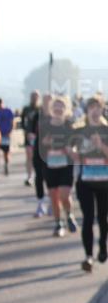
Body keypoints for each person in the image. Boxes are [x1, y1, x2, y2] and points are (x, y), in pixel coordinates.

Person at [72, 96, 108, 271]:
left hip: (104, 182)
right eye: (91, 107)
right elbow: (71, 151)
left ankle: (102, 246)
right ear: (87, 110)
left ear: (102, 110)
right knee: (87, 218)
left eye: (97, 107)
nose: (94, 110)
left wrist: (101, 145)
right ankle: (88, 256)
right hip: (85, 181)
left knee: (103, 218)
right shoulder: (80, 131)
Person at [39, 95, 79, 237]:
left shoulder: (70, 125)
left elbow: (76, 145)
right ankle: (58, 223)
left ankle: (69, 215)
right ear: (51, 108)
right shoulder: (45, 126)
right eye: (55, 106)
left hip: (65, 164)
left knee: (64, 194)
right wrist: (45, 143)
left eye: (61, 106)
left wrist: (70, 149)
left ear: (66, 109)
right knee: (54, 197)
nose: (58, 108)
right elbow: (40, 148)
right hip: (50, 165)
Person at [21, 90, 42, 187]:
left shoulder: (41, 109)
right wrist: (25, 131)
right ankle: (29, 176)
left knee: (37, 157)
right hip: (29, 136)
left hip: (40, 137)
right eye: (32, 96)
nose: (34, 98)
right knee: (29, 156)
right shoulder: (26, 109)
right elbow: (22, 121)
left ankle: (39, 175)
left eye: (36, 96)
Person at [0, 98, 15, 178]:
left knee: (6, 153)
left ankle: (6, 166)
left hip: (6, 135)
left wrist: (10, 131)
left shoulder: (8, 111)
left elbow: (12, 122)